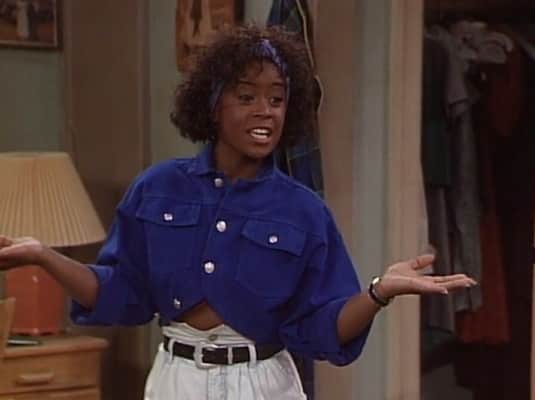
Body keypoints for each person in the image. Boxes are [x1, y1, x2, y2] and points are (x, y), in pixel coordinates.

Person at [0, 25, 476, 400]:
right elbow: (119, 291)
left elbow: (323, 329)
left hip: (264, 383)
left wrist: (379, 291)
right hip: (177, 382)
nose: (265, 111)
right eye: (246, 97)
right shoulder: (157, 189)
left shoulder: (304, 211)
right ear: (212, 104)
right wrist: (44, 256)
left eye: (277, 99)